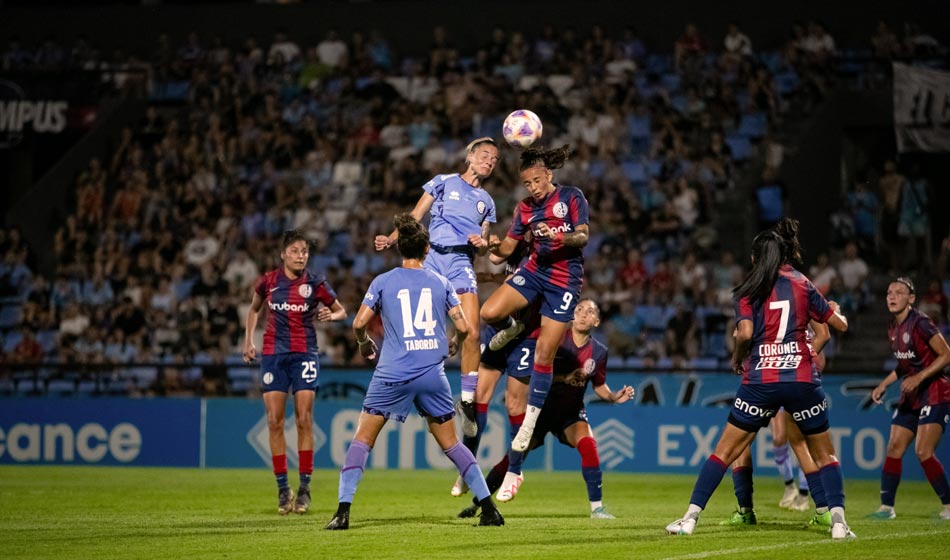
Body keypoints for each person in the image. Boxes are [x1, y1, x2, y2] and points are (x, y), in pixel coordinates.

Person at [665, 217, 854, 539]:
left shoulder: (749, 288)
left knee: (724, 451)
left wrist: (739, 357)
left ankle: (689, 519)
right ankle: (839, 523)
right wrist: (836, 310)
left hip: (761, 381)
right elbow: (839, 326)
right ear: (784, 255)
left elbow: (746, 333)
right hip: (801, 379)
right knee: (825, 454)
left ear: (755, 258)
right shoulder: (803, 283)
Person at [326, 214, 504, 530]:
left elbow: (357, 323)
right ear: (426, 251)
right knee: (452, 445)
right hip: (431, 376)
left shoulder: (382, 281)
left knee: (362, 440)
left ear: (402, 250)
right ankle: (489, 509)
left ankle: (342, 512)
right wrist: (453, 341)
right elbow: (464, 327)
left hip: (392, 374)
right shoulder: (442, 282)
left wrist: (365, 343)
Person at [462, 299, 634, 519]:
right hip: (538, 413)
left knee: (589, 444)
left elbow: (599, 385)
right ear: (571, 315)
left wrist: (612, 396)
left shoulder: (599, 352)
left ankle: (597, 508)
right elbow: (533, 374)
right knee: (512, 459)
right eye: (579, 309)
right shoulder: (555, 339)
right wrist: (564, 377)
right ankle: (478, 504)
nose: (583, 314)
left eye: (590, 312)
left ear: (597, 321)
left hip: (570, 414)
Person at [375, 137, 499, 438]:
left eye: (494, 160)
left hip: (460, 262)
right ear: (469, 156)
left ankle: (467, 401)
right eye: (484, 155)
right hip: (430, 260)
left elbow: (483, 246)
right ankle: (406, 388)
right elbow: (416, 217)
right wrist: (392, 238)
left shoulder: (487, 202)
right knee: (421, 333)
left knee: (473, 330)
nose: (490, 162)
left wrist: (482, 245)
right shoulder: (442, 182)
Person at [481, 145, 590, 454]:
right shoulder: (524, 208)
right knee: (490, 312)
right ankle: (513, 327)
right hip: (534, 271)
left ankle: (529, 424)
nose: (532, 188)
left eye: (536, 181)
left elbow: (582, 236)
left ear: (548, 175)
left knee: (544, 355)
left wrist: (558, 236)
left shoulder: (571, 196)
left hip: (564, 279)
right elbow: (505, 251)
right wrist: (489, 245)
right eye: (527, 184)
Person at [242, 229, 347, 515]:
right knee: (275, 420)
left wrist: (331, 314)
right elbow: (253, 310)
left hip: (304, 354)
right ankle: (281, 488)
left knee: (303, 418)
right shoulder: (268, 281)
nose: (301, 256)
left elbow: (341, 311)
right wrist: (248, 340)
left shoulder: (315, 282)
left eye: (304, 252)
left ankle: (304, 489)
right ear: (283, 254)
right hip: (274, 356)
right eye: (296, 251)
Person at [721, 320, 834, 528]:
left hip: (766, 383)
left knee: (742, 443)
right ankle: (820, 507)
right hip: (793, 381)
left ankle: (754, 507)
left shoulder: (763, 311)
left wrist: (738, 349)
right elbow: (823, 346)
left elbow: (743, 334)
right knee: (789, 442)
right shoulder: (796, 310)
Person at [869, 277, 950, 521]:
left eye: (899, 293)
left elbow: (946, 355)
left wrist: (920, 377)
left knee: (923, 451)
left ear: (911, 298)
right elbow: (904, 364)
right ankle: (886, 508)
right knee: (894, 446)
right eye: (889, 292)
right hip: (912, 394)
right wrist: (883, 384)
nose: (892, 297)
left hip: (935, 391)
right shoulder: (893, 326)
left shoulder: (921, 323)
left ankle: (948, 505)